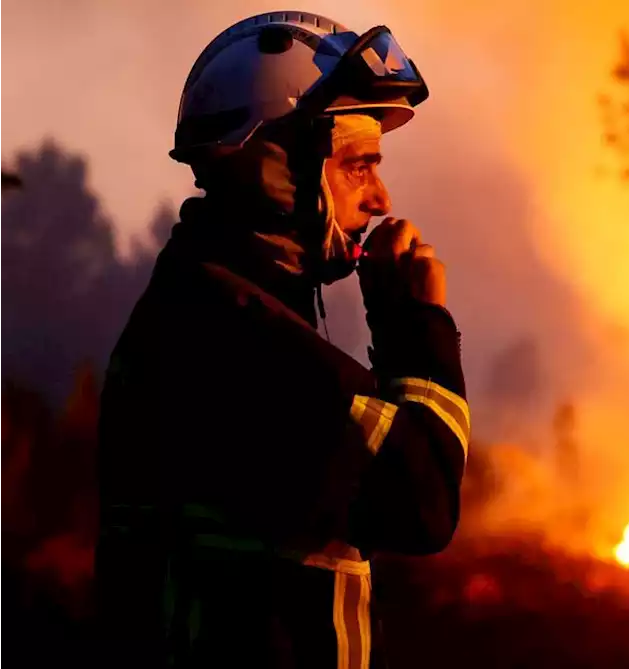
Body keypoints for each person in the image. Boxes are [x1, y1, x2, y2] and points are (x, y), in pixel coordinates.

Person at [95, 11, 469, 668]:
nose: (381, 198)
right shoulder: (235, 343)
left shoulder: (206, 306)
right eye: (358, 166)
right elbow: (423, 504)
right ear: (274, 166)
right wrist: (416, 328)